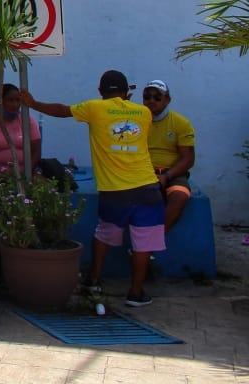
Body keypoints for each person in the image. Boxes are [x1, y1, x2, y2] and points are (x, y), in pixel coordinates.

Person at [20, 70, 164, 307]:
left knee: (104, 234)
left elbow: (62, 110)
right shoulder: (144, 112)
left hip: (115, 191)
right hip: (148, 188)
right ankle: (136, 293)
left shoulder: (94, 108)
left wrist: (33, 103)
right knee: (143, 245)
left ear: (100, 91)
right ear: (128, 92)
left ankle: (94, 280)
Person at [142, 79, 196, 232]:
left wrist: (167, 176)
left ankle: (153, 241)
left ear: (167, 100)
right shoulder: (136, 120)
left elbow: (188, 159)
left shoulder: (181, 123)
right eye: (147, 96)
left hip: (172, 172)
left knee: (180, 195)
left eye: (157, 97)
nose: (151, 100)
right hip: (143, 170)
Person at [0, 83, 41, 185]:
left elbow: (36, 152)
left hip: (25, 173)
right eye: (10, 100)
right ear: (1, 101)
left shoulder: (28, 120)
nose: (15, 104)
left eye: (18, 100)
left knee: (46, 187)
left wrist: (26, 174)